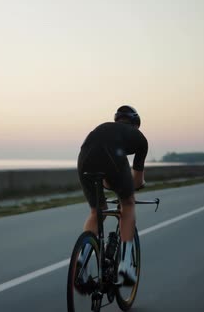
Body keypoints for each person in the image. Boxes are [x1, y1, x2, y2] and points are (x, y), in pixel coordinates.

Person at [77, 105, 148, 285]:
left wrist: (113, 183)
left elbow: (107, 178)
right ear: (135, 124)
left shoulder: (105, 128)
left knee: (97, 211)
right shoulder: (139, 138)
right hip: (112, 155)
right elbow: (137, 181)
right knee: (128, 204)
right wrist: (129, 188)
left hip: (84, 156)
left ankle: (82, 261)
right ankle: (125, 265)